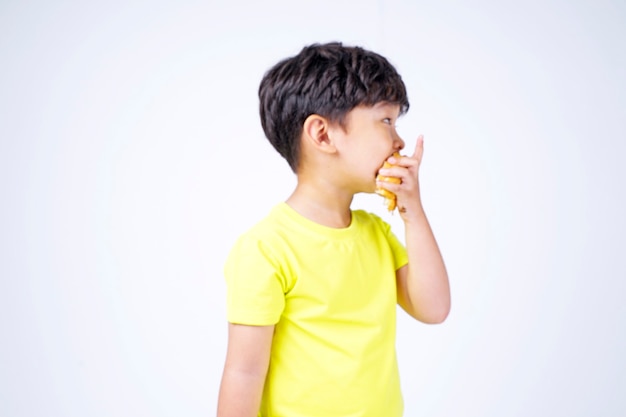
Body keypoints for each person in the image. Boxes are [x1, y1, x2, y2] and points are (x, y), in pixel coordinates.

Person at [217, 42, 450, 417]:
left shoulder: (377, 234)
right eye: (385, 121)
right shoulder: (265, 249)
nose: (399, 141)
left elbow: (434, 308)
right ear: (322, 135)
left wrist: (413, 212)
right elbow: (243, 373)